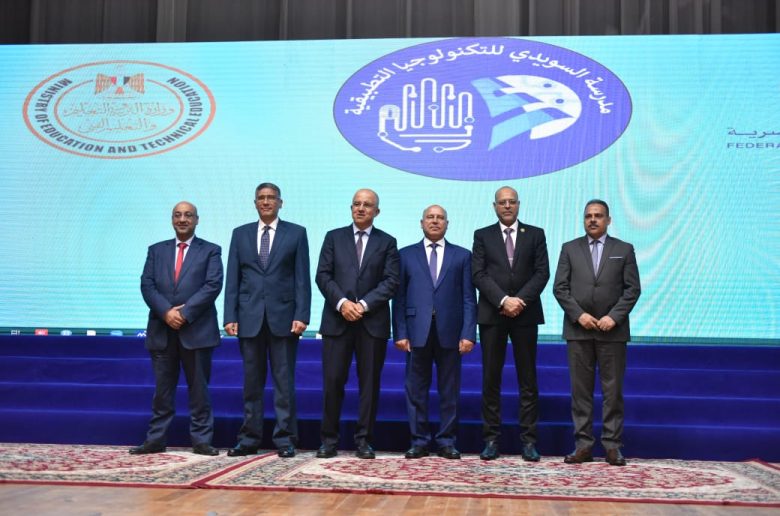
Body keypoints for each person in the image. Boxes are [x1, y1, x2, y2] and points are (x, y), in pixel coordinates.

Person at [223, 183, 311, 458]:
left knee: (284, 385)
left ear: (280, 202)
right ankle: (249, 439)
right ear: (255, 203)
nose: (266, 202)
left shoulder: (296, 233)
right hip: (249, 319)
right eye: (261, 198)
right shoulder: (240, 234)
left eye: (271, 198)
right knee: (251, 384)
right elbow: (233, 278)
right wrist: (229, 316)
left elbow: (302, 279)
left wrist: (302, 315)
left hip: (284, 320)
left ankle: (285, 439)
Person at [553, 199, 641, 466]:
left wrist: (613, 317)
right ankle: (583, 446)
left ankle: (612, 446)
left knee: (612, 393)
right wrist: (579, 315)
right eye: (588, 216)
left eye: (598, 215)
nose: (593, 220)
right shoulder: (569, 248)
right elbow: (560, 288)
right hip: (578, 330)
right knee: (580, 393)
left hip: (612, 332)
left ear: (608, 220)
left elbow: (632, 289)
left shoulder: (624, 249)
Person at [315, 188, 399, 459]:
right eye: (357, 204)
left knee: (369, 385)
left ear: (377, 211)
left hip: (371, 322)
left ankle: (364, 441)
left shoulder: (387, 242)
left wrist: (362, 305)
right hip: (337, 321)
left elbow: (391, 281)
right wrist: (342, 303)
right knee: (332, 382)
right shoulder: (333, 237)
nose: (361, 208)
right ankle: (328, 441)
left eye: (367, 205)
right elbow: (323, 275)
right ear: (351, 208)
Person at [133, 201, 223, 456]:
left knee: (199, 391)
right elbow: (147, 285)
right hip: (162, 331)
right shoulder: (156, 250)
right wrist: (166, 312)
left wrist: (184, 313)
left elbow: (213, 285)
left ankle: (201, 441)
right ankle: (156, 439)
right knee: (162, 392)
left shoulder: (211, 251)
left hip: (197, 331)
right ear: (172, 219)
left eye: (188, 215)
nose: (183, 219)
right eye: (178, 215)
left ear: (197, 219)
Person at [392, 205, 477, 459]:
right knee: (415, 390)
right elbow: (398, 297)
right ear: (421, 223)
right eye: (430, 217)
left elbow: (468, 298)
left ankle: (446, 441)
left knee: (449, 391)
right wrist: (400, 332)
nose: (435, 221)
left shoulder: (462, 255)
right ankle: (419, 441)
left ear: (447, 224)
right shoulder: (405, 255)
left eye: (440, 218)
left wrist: (468, 333)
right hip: (416, 332)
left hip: (451, 332)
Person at [472, 186, 550, 461]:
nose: (507, 206)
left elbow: (542, 273)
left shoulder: (536, 234)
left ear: (518, 204)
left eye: (511, 201)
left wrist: (519, 301)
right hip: (493, 315)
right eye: (502, 202)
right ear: (494, 206)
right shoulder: (482, 235)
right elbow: (478, 274)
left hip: (525, 315)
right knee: (490, 379)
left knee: (527, 379)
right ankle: (491, 440)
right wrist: (504, 300)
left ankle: (528, 441)